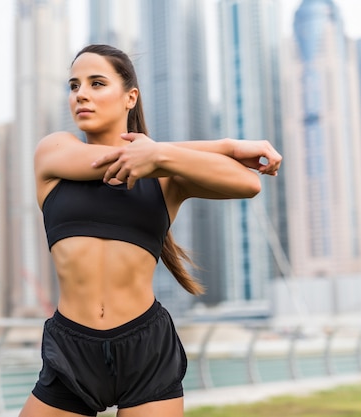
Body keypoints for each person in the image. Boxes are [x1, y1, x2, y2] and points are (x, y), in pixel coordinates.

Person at [19, 44, 282, 417]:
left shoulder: (164, 178)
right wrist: (222, 146)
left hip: (146, 348)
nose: (81, 94)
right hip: (71, 348)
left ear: (130, 97)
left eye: (96, 83)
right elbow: (109, 160)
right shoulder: (54, 152)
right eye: (74, 85)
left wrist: (161, 155)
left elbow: (248, 183)